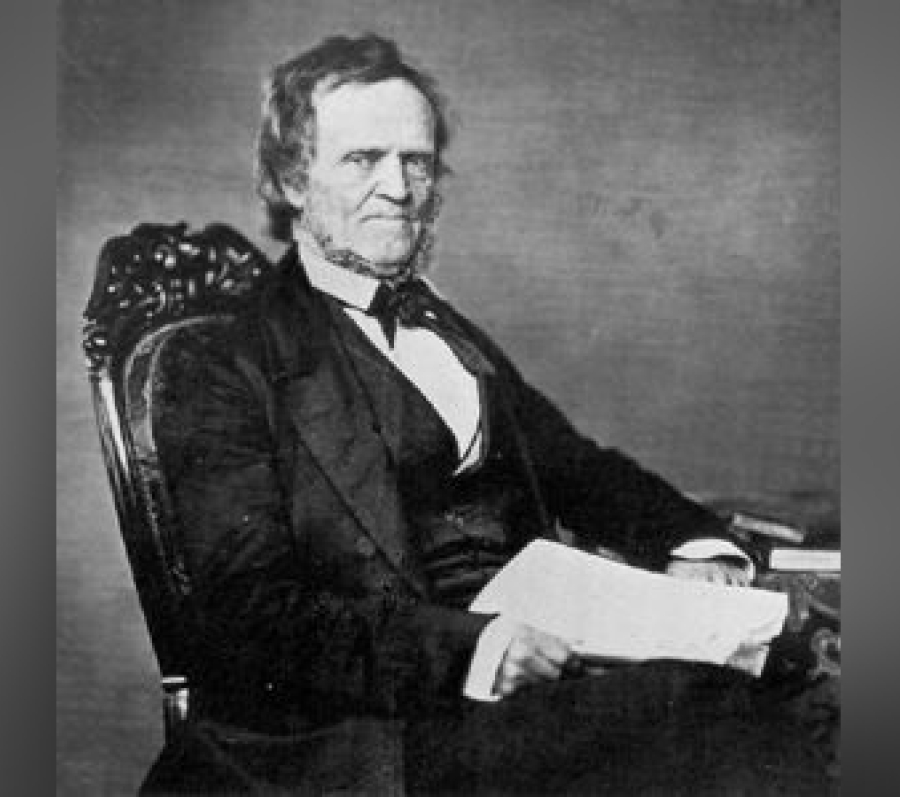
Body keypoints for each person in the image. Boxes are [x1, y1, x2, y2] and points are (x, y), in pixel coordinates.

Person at [141, 33, 833, 795]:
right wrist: (472, 647)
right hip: (374, 729)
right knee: (701, 713)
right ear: (292, 181)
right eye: (362, 160)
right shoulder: (223, 363)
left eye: (417, 161)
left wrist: (692, 541)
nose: (399, 188)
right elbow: (251, 618)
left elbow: (576, 465)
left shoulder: (444, 328)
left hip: (537, 673)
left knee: (790, 679)